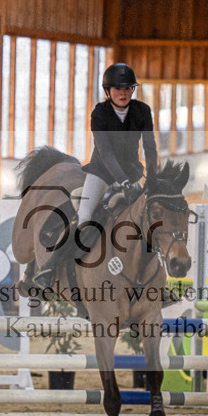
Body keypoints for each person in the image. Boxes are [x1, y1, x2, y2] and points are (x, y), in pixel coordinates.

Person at [30, 62, 159, 289]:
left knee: (148, 220)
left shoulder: (142, 111)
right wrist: (123, 181)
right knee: (85, 217)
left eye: (128, 89)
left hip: (131, 174)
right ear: (108, 91)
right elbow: (106, 153)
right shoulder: (100, 113)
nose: (123, 93)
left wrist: (153, 179)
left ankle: (154, 281)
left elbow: (150, 146)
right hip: (102, 174)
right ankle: (50, 267)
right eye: (118, 89)